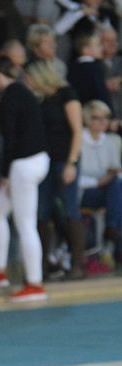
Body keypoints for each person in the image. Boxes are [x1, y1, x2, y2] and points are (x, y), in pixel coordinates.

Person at [0, 56, 50, 302]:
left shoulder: (11, 96)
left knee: (25, 225)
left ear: (0, 73)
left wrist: (5, 174)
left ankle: (35, 283)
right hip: (34, 160)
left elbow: (10, 138)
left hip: (23, 164)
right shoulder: (23, 93)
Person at [25, 59, 85, 280]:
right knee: (42, 212)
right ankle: (39, 266)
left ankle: (78, 263)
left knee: (70, 209)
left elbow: (77, 131)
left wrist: (71, 162)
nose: (28, 82)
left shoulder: (66, 94)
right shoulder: (39, 100)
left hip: (65, 158)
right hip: (44, 161)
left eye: (30, 78)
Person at [79, 99, 122, 269]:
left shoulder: (111, 141)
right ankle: (113, 236)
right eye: (98, 117)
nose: (103, 121)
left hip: (108, 193)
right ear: (88, 118)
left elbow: (116, 171)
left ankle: (112, 229)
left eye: (106, 117)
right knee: (116, 192)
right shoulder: (79, 140)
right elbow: (75, 179)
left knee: (116, 186)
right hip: (85, 192)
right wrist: (97, 181)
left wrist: (110, 177)